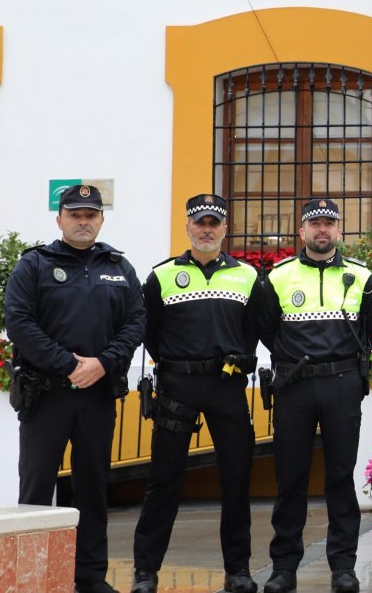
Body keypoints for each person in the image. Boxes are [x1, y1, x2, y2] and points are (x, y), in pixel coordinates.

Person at [5, 183, 147, 593]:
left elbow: (136, 322)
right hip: (46, 394)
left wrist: (103, 363)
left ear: (101, 219)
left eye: (90, 215)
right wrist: (68, 365)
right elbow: (20, 323)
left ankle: (89, 577)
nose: (83, 221)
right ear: (60, 219)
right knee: (34, 489)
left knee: (93, 488)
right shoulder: (35, 264)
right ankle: (30, 577)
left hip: (97, 396)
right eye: (75, 214)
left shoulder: (119, 267)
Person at [131, 194, 264, 593]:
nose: (207, 229)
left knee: (237, 480)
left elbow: (254, 328)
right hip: (177, 386)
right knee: (164, 480)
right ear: (188, 226)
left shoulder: (247, 275)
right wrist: (178, 364)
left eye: (214, 223)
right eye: (200, 223)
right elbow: (149, 331)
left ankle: (238, 571)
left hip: (226, 386)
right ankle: (145, 573)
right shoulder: (163, 275)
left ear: (225, 228)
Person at [258, 198, 372, 593]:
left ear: (339, 231)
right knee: (290, 479)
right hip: (294, 385)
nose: (322, 230)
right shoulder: (277, 276)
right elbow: (265, 327)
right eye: (315, 224)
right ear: (302, 232)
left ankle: (343, 567)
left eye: (329, 224)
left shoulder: (362, 277)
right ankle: (284, 569)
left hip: (342, 384)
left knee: (340, 478)